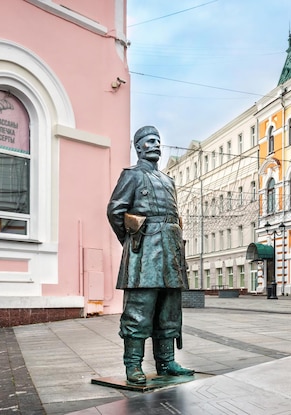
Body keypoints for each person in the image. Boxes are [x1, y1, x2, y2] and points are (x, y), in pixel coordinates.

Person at [107, 126, 194, 384]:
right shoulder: (131, 176)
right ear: (139, 147)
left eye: (158, 140)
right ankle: (133, 365)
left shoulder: (168, 181)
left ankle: (166, 362)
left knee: (169, 309)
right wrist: (133, 240)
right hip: (145, 252)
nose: (156, 144)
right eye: (149, 141)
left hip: (171, 250)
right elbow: (115, 211)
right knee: (139, 308)